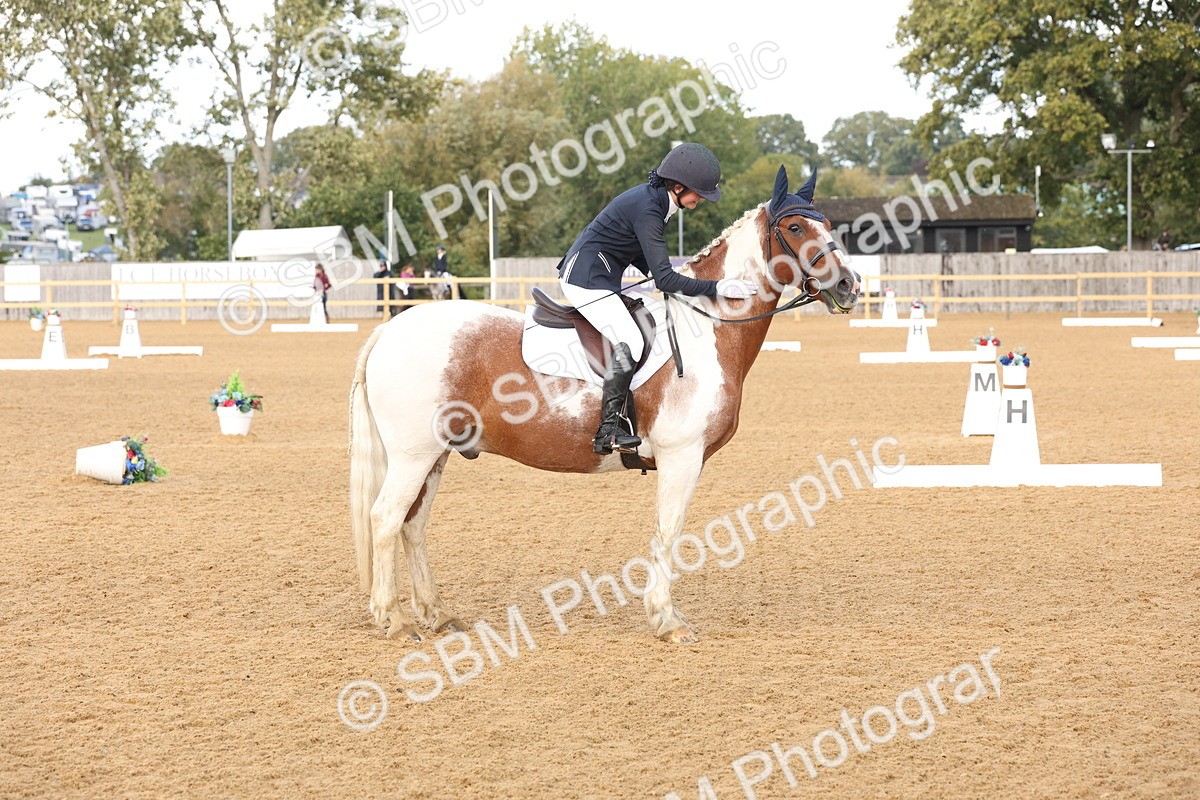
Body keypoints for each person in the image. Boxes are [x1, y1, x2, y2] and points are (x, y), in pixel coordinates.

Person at [556, 141, 758, 454]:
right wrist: (717, 288)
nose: (700, 200)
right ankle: (608, 430)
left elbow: (637, 250)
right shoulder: (650, 210)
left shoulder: (657, 202)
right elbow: (664, 279)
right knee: (630, 339)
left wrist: (662, 273)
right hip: (585, 280)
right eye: (698, 194)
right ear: (678, 187)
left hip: (602, 275)